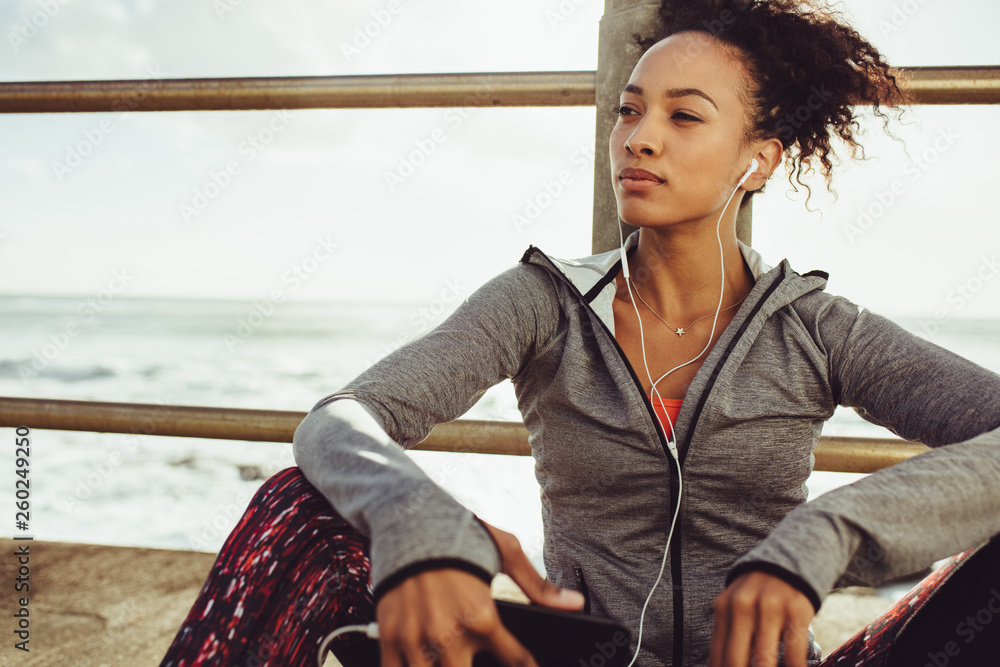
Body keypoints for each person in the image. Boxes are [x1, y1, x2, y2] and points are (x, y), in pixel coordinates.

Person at [161, 1, 1000, 666]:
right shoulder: (544, 302)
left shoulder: (817, 329)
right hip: (576, 656)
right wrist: (416, 516)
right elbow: (342, 417)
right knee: (295, 505)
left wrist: (825, 536)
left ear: (758, 161)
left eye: (685, 117)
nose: (639, 136)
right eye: (629, 110)